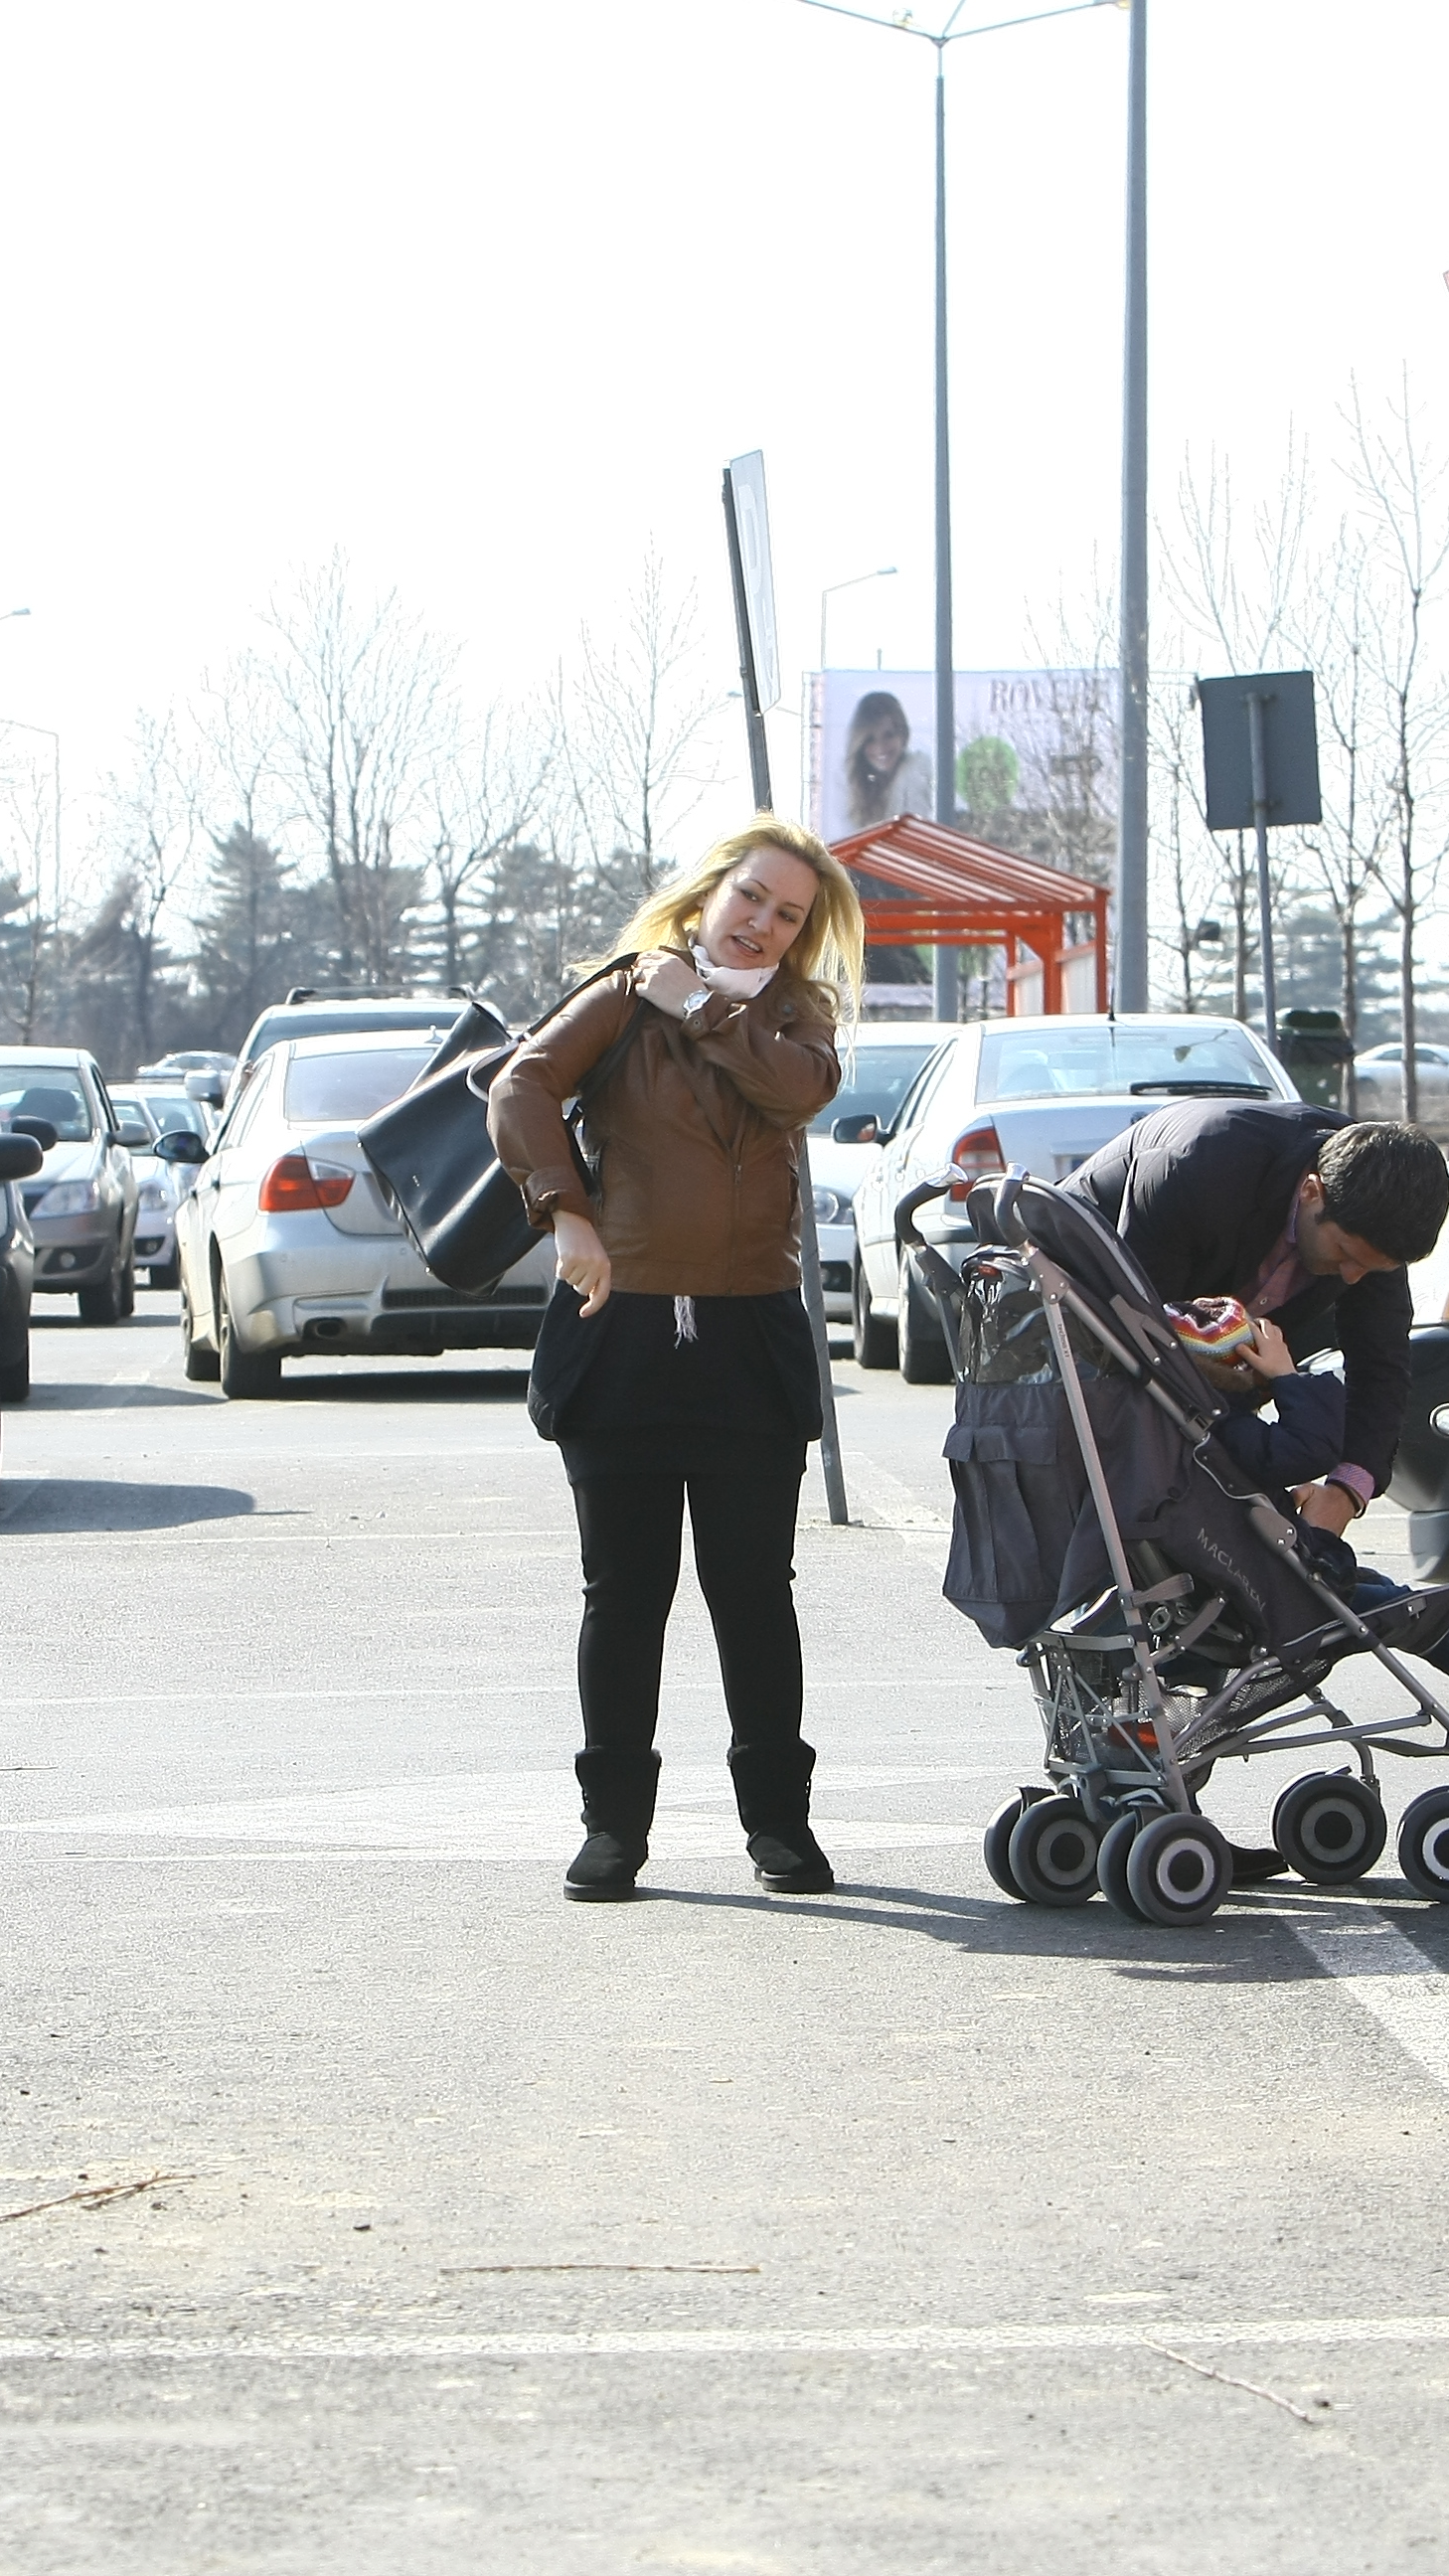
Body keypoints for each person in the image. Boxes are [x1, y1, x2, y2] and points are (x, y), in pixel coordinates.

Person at [491, 820, 861, 1902]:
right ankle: (613, 1830)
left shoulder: (799, 1017)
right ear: (711, 893)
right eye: (751, 896)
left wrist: (696, 1006)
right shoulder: (618, 993)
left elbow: (792, 1092)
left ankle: (780, 1830)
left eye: (788, 914)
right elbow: (519, 1084)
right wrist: (566, 1213)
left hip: (750, 1338)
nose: (763, 922)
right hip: (623, 1334)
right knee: (626, 1593)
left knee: (754, 1592)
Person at [1063, 1098, 1449, 1724]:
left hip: (1199, 1408)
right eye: (1344, 1254)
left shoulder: (1371, 1219)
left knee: (1285, 1565)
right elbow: (1133, 1324)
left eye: (1370, 1269)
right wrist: (1260, 1386)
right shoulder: (1199, 1169)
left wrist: (1348, 1487)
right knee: (1281, 1572)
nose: (1350, 1275)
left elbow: (1381, 1368)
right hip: (1109, 1385)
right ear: (1311, 1190)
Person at [840, 690, 933, 830]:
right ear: (859, 744)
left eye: (888, 735)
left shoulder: (919, 770)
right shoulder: (851, 785)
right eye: (870, 739)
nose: (880, 748)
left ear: (902, 735)